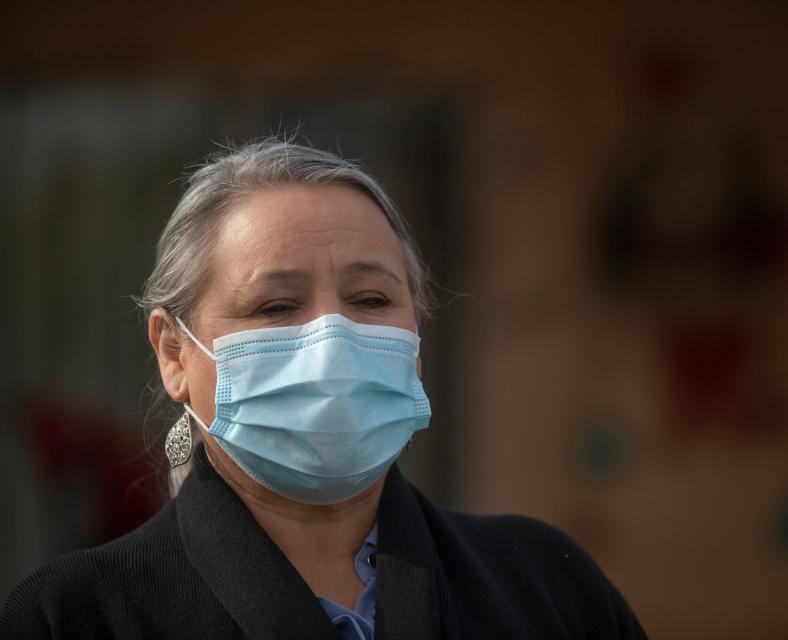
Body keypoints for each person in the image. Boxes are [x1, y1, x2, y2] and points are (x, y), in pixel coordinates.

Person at [0, 138, 647, 639]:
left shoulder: (544, 585)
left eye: (371, 298)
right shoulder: (77, 616)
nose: (333, 337)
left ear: (416, 341)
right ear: (174, 353)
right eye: (276, 307)